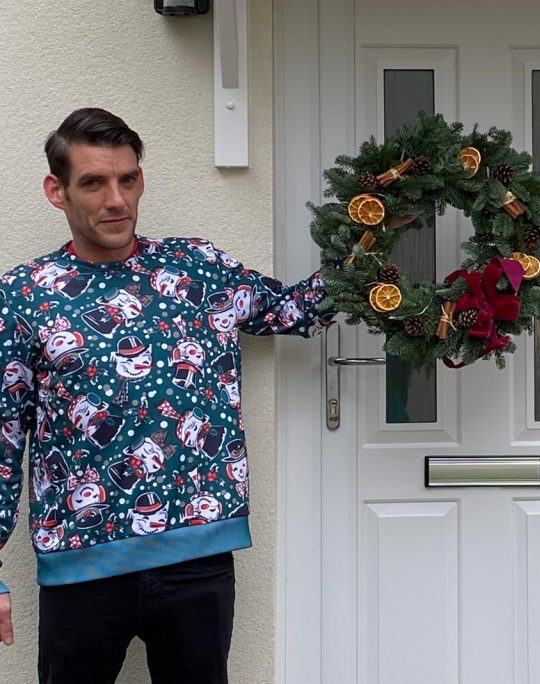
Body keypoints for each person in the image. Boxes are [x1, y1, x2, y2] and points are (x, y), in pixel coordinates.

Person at [0, 108, 334, 683]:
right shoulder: (23, 295)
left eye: (128, 179)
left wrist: (371, 245)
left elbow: (292, 310)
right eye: (94, 183)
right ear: (57, 191)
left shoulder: (196, 268)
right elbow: (3, 435)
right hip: (80, 565)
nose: (116, 199)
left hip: (196, 562)